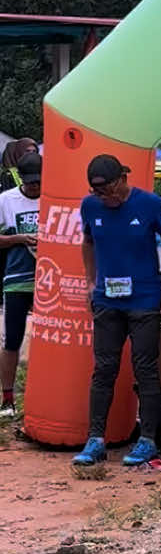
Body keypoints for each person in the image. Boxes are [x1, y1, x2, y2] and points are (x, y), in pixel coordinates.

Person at [73, 155, 161, 469]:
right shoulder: (90, 206)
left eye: (108, 190)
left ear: (122, 178)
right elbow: (87, 241)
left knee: (145, 368)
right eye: (98, 192)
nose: (105, 197)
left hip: (145, 298)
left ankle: (147, 439)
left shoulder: (150, 203)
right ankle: (95, 439)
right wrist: (91, 281)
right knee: (104, 368)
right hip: (108, 300)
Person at [0, 152, 40, 416]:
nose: (35, 187)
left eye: (39, 182)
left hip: (50, 280)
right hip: (16, 278)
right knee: (12, 339)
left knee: (51, 341)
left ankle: (45, 394)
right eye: (30, 182)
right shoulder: (6, 200)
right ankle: (7, 399)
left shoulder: (55, 197)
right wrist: (19, 239)